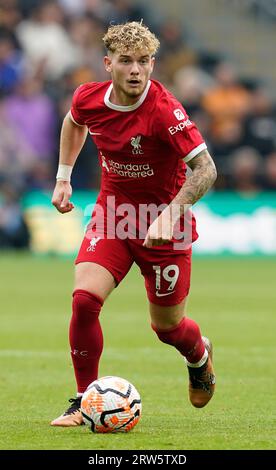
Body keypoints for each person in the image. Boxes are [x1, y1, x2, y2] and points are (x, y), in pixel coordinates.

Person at [51, 21, 217, 427]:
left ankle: (199, 356)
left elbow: (206, 169)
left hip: (164, 224)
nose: (136, 70)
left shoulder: (164, 110)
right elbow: (75, 122)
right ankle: (82, 401)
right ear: (108, 63)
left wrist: (173, 210)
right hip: (113, 214)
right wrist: (63, 177)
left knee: (168, 327)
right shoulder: (89, 98)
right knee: (84, 300)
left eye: (144, 61)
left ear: (153, 64)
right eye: (126, 61)